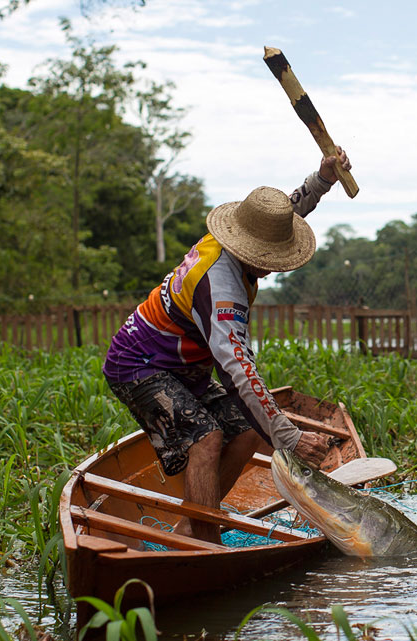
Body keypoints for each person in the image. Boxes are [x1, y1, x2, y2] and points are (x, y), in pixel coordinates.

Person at [103, 147, 352, 544]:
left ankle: (193, 522)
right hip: (140, 364)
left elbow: (283, 213)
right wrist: (288, 436)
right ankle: (203, 541)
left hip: (182, 367)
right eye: (271, 260)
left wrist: (321, 180)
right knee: (206, 437)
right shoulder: (221, 287)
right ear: (250, 250)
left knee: (249, 430)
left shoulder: (241, 235)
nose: (272, 268)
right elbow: (238, 369)